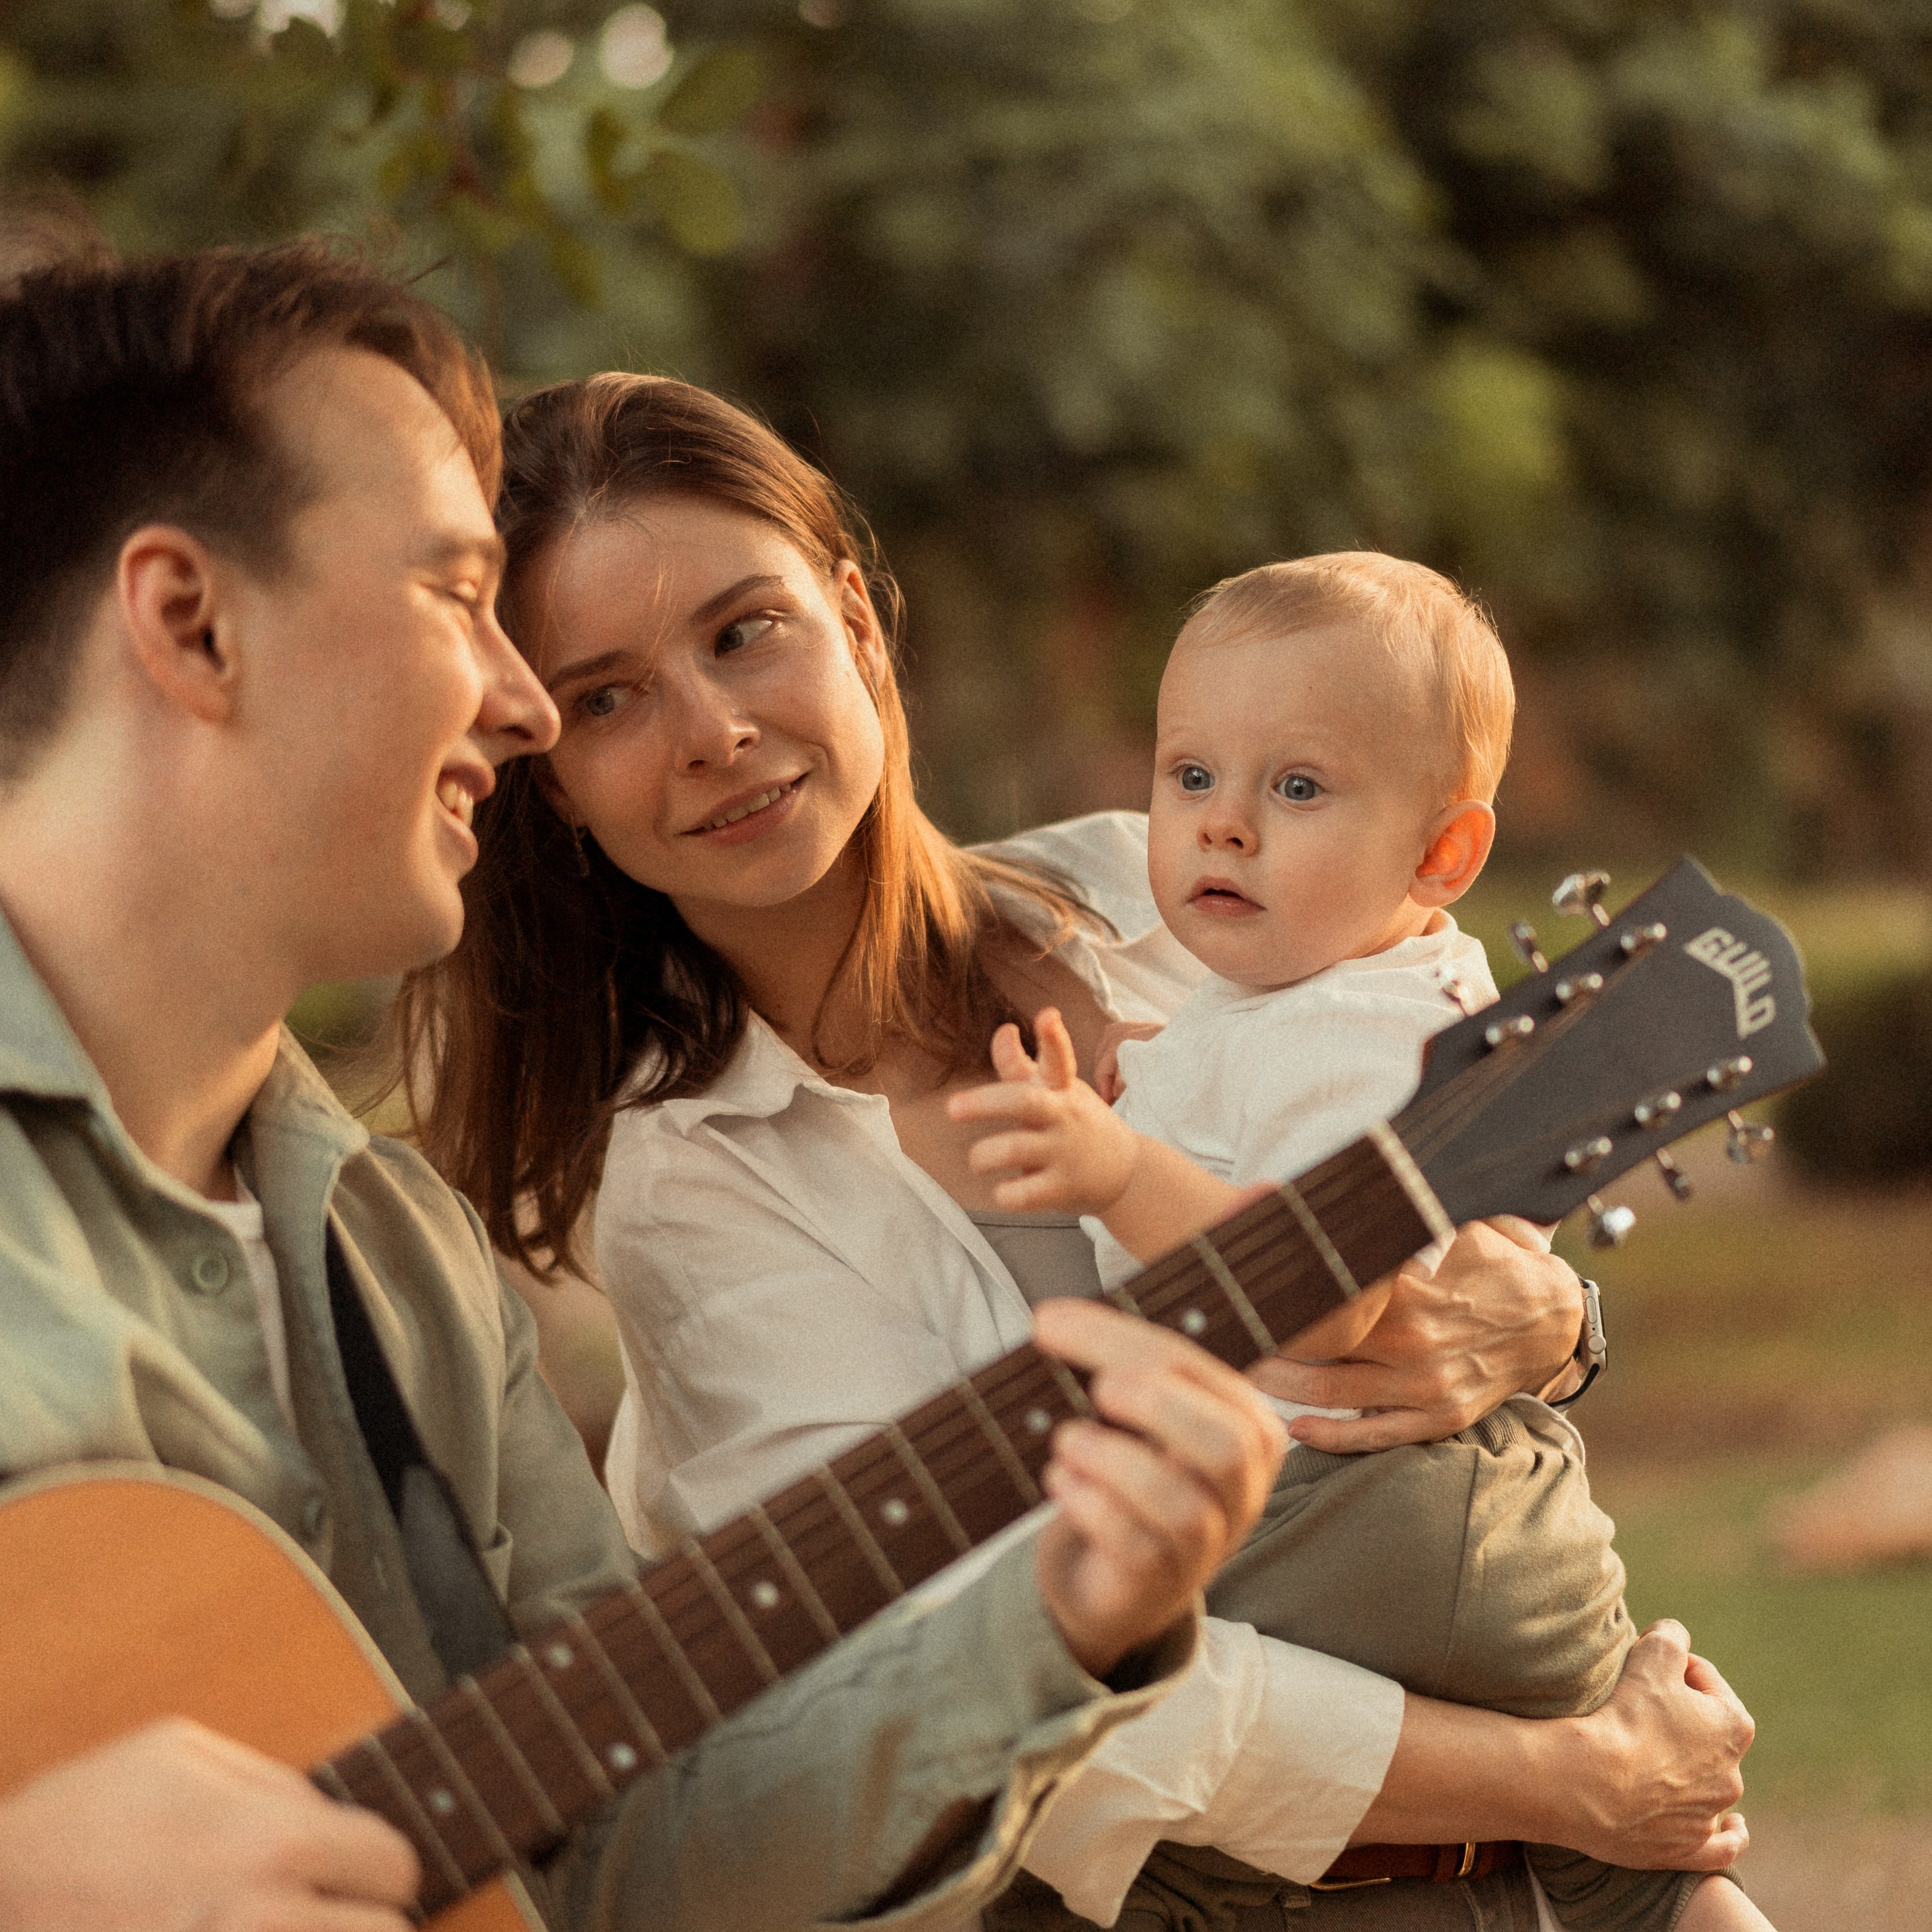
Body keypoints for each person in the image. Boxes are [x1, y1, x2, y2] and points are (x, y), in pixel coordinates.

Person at [0, 242, 1297, 1932]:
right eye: (457, 595)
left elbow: (625, 1848)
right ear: (188, 621)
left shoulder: (403, 1273)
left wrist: (1055, 1619)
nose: (526, 707)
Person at [403, 371, 1757, 1927]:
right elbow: (981, 1668)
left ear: (850, 613)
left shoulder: (1159, 883)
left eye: (738, 630)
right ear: (550, 779)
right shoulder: (695, 1182)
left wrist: (1547, 1323)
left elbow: (1417, 1180)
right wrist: (1571, 1781)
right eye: (606, 696)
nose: (710, 730)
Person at [949, 555, 1768, 1930]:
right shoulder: (1276, 994)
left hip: (1354, 1504)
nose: (1224, 830)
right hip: (1398, 1519)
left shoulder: (1367, 1032)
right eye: (1191, 776)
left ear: (1441, 857)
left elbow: (1320, 1302)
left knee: (1040, 1723)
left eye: (1298, 788)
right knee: (1651, 1882)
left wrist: (1114, 1166)